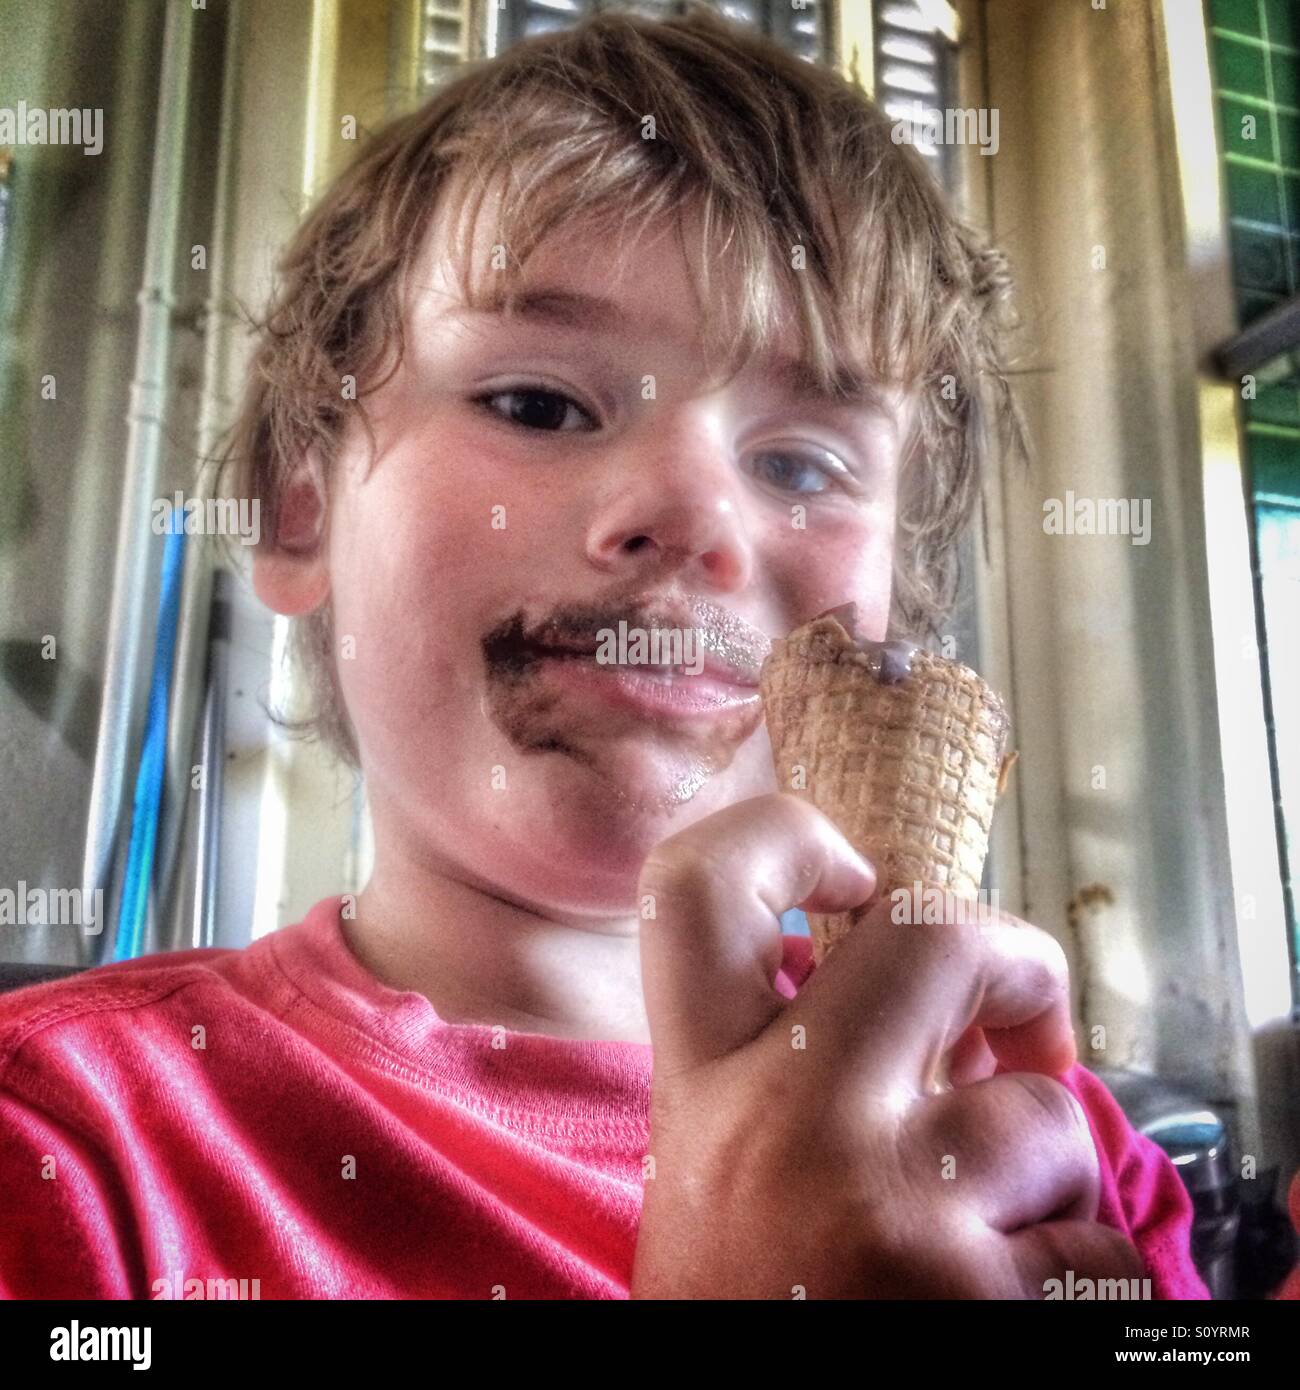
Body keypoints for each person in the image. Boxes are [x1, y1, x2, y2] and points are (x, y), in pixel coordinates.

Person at [0, 7, 1211, 1299]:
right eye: (537, 402)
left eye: (803, 463)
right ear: (300, 509)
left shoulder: (1044, 1138)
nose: (695, 516)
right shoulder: (63, 1148)